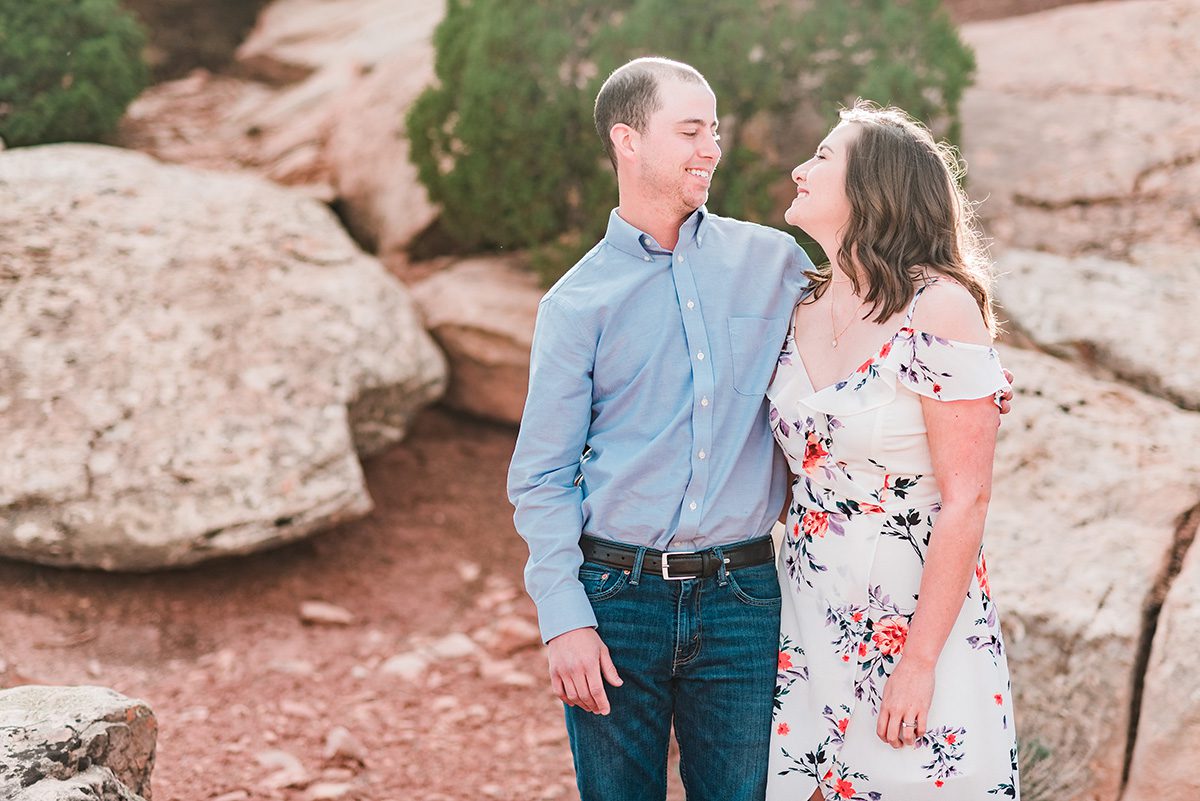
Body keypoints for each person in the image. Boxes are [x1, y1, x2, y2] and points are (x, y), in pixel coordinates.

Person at [764, 102, 1020, 800]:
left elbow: (967, 497)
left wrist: (918, 660)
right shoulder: (794, 305)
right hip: (801, 612)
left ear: (873, 186)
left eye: (821, 156)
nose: (799, 169)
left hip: (913, 620)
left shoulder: (937, 308)